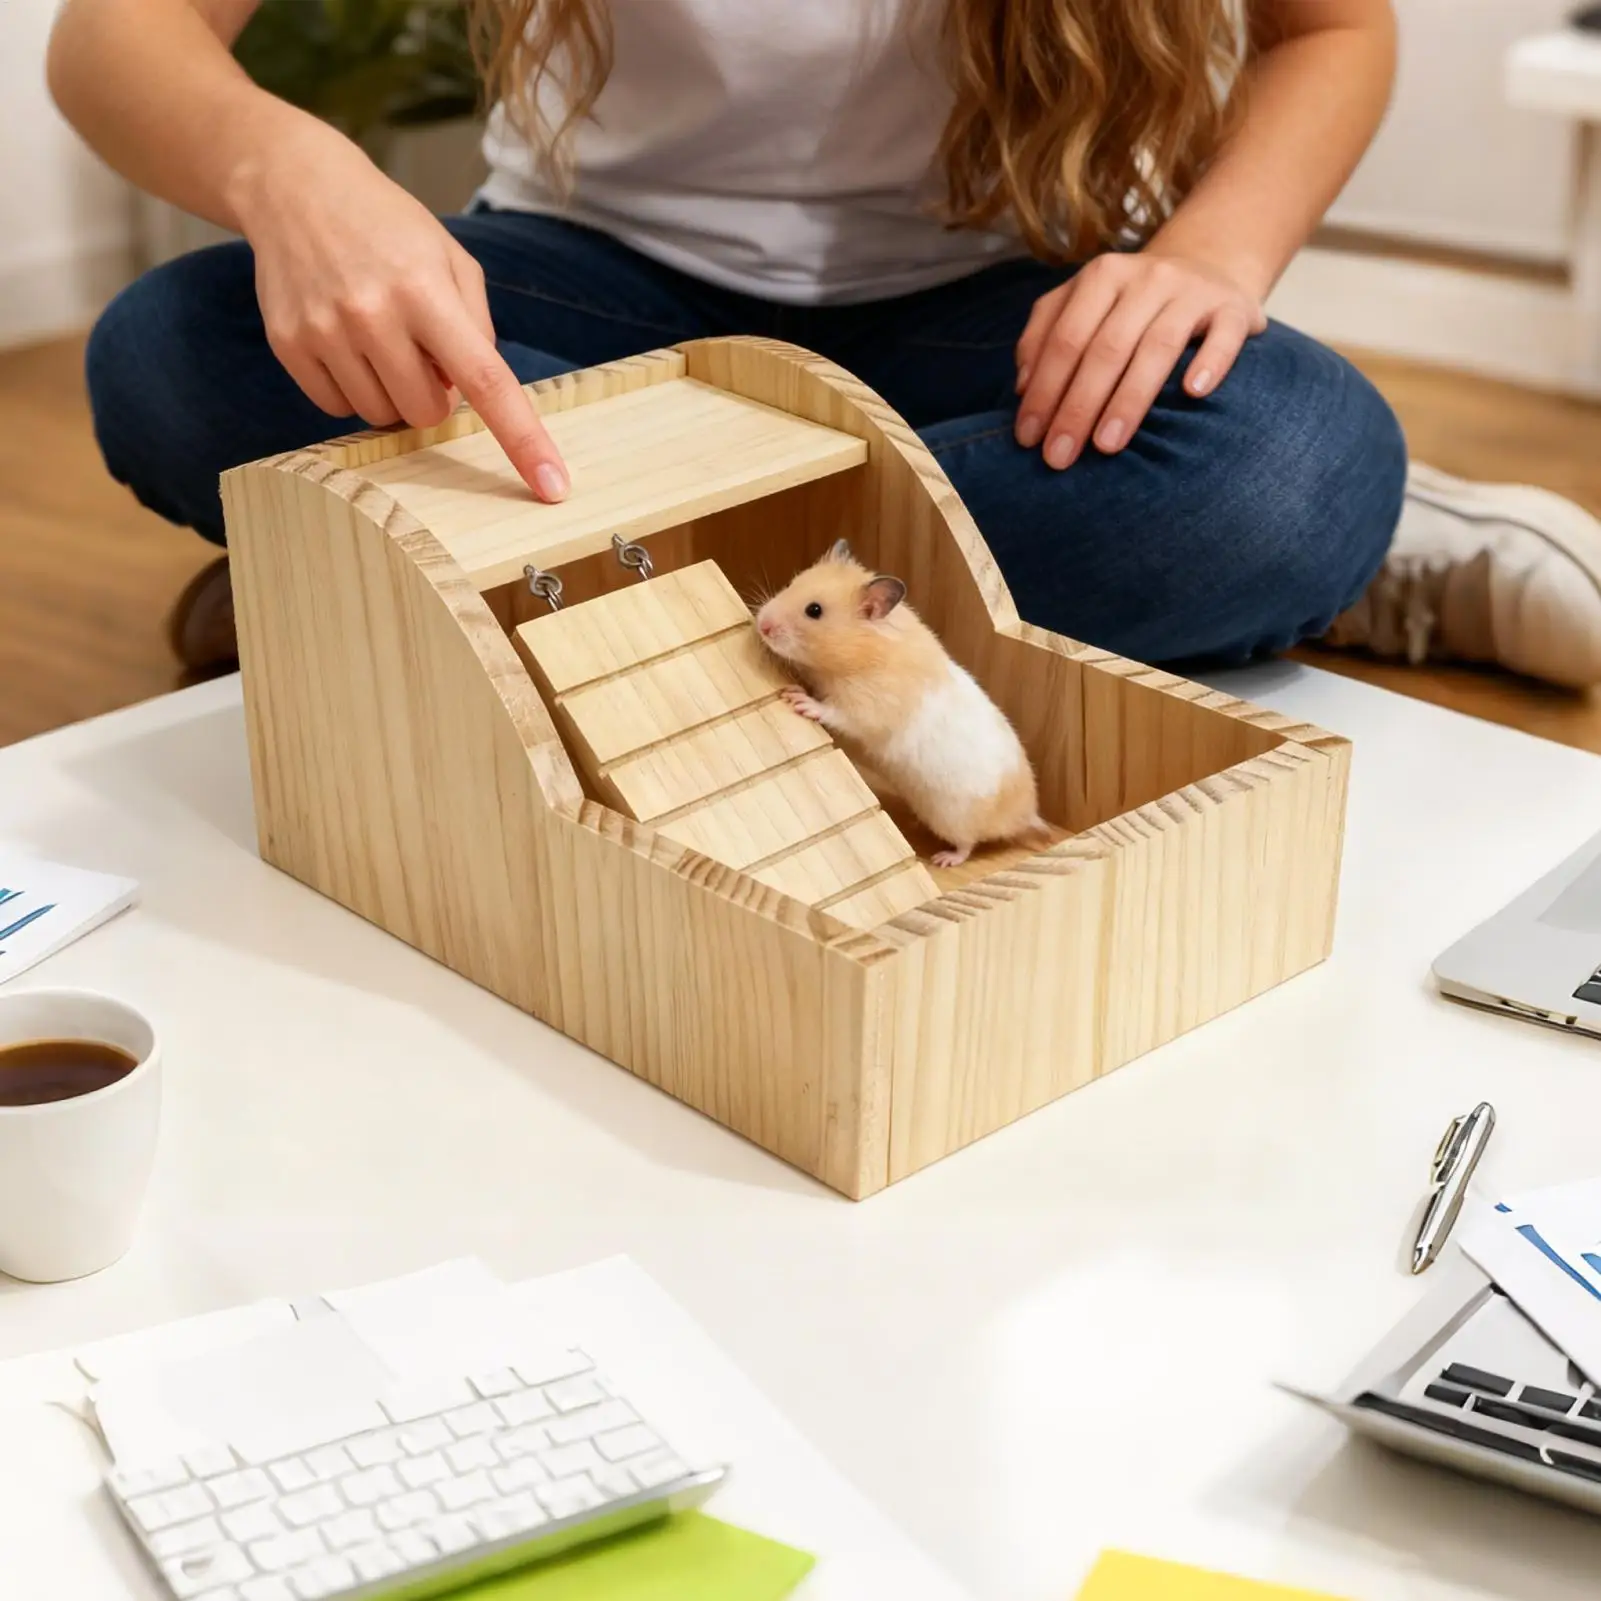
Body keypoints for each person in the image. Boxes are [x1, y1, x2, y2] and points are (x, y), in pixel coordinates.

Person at [49, 0, 1601, 688]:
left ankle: (497, 597)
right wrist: (289, 171)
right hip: (594, 294)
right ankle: (889, 606)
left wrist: (1212, 253)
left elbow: (1331, 27)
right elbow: (117, 32)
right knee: (175, 355)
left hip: (995, 312)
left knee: (1282, 469)